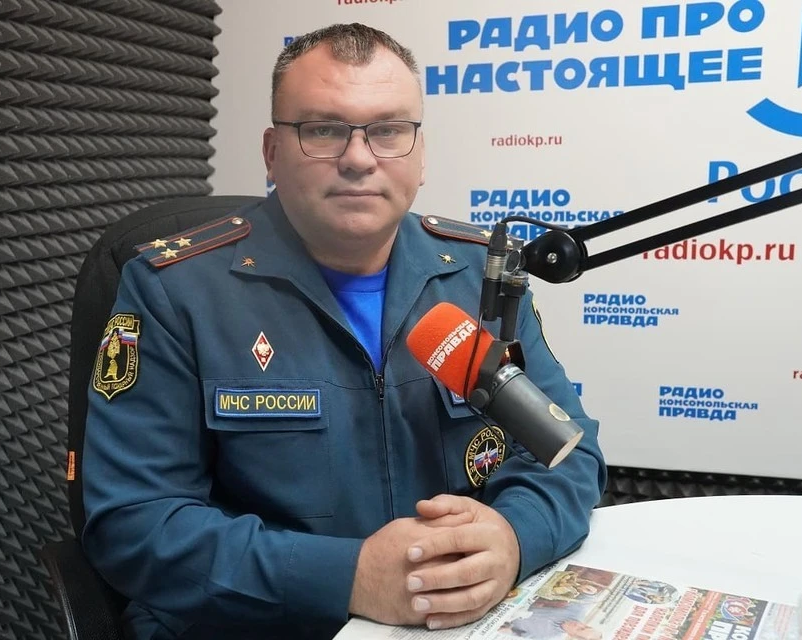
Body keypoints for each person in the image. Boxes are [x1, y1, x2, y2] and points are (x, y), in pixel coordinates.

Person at [80, 22, 607, 640]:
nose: (358, 158)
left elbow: (568, 452)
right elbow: (134, 524)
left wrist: (512, 536)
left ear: (419, 154)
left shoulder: (479, 277)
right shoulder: (175, 291)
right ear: (272, 152)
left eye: (388, 130)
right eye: (323, 130)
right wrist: (347, 577)